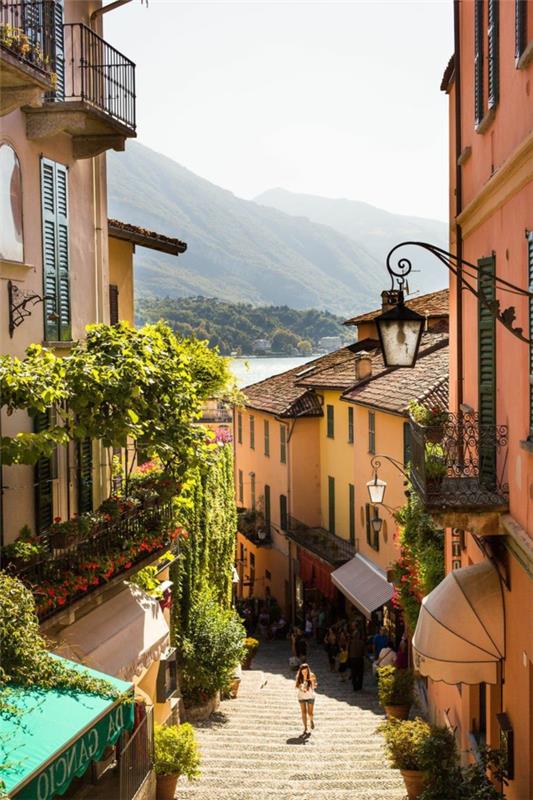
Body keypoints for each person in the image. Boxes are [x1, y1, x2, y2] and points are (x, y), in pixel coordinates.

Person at [295, 662, 318, 736]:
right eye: (303, 671)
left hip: (310, 696)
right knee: (303, 712)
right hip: (301, 697)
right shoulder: (299, 677)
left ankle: (311, 720)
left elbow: (315, 686)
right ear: (301, 671)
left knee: (310, 713)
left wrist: (313, 683)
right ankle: (305, 727)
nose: (304, 673)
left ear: (308, 670)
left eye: (306, 671)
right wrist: (302, 688)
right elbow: (297, 686)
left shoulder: (312, 675)